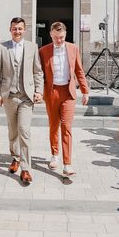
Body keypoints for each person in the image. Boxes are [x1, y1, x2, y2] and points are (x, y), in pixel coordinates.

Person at [0, 17, 44, 185]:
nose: (17, 31)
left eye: (20, 28)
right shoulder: (2, 47)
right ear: (10, 29)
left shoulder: (32, 47)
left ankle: (26, 169)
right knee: (13, 130)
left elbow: (38, 71)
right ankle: (15, 158)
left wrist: (39, 91)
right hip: (9, 95)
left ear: (24, 29)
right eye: (14, 28)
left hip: (26, 96)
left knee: (24, 130)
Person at [39, 22, 89, 177]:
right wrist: (38, 92)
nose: (59, 40)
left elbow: (79, 70)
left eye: (61, 37)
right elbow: (39, 74)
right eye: (55, 37)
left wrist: (85, 91)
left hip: (68, 92)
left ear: (65, 35)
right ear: (51, 35)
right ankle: (54, 154)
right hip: (52, 92)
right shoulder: (43, 51)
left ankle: (67, 164)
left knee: (66, 126)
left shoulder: (73, 48)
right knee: (53, 125)